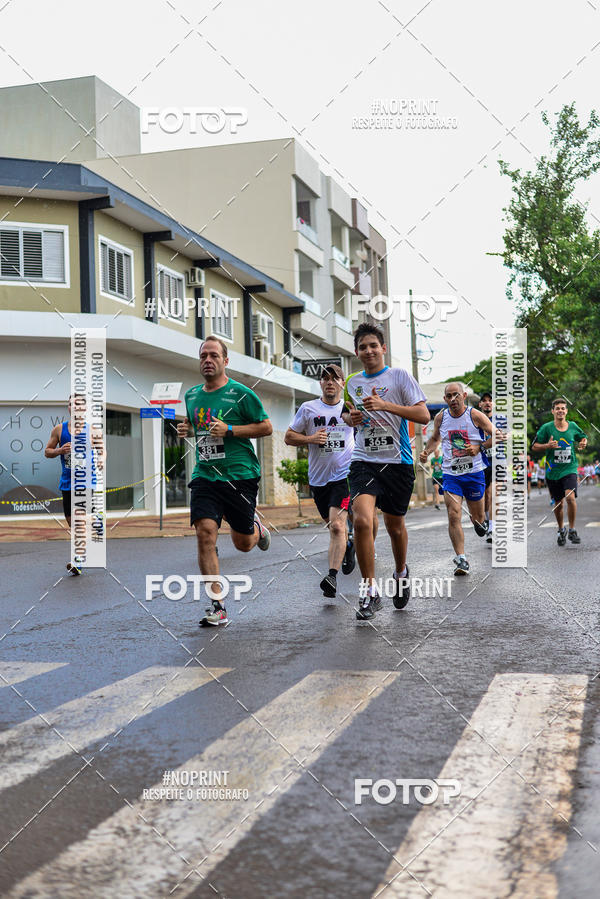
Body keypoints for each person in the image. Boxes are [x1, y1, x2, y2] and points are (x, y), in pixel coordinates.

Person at [177, 336, 273, 626]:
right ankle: (217, 605)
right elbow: (197, 426)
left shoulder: (242, 394)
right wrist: (187, 429)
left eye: (214, 355)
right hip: (205, 474)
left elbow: (266, 427)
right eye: (203, 355)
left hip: (240, 475)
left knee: (243, 544)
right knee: (205, 533)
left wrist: (230, 429)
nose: (208, 359)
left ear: (225, 361)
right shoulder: (192, 395)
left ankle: (256, 528)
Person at [343, 322, 430, 620]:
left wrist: (385, 405)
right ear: (357, 352)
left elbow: (423, 414)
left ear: (383, 348)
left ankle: (401, 572)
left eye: (373, 346)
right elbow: (346, 412)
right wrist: (351, 417)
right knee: (363, 522)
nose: (368, 351)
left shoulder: (400, 376)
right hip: (363, 460)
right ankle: (369, 592)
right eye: (362, 347)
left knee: (394, 527)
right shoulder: (352, 382)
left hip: (398, 463)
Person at [284, 364, 354, 598]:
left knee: (337, 525)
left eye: (335, 378)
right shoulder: (308, 408)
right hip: (318, 479)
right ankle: (349, 544)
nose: (330, 382)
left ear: (342, 383)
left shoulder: (349, 408)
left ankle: (331, 577)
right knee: (332, 525)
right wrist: (311, 438)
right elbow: (289, 437)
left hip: (344, 476)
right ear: (321, 383)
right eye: (325, 378)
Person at [420, 383, 505, 575]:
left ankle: (481, 522)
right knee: (453, 513)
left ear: (464, 395)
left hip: (474, 473)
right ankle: (461, 559)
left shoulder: (475, 415)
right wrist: (427, 451)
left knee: (478, 518)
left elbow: (497, 435)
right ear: (444, 399)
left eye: (456, 395)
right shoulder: (441, 417)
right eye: (448, 396)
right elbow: (435, 439)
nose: (452, 399)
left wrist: (479, 447)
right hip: (451, 474)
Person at [44, 394, 104, 576]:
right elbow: (47, 452)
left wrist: (101, 459)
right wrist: (59, 450)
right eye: (71, 404)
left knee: (78, 522)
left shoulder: (93, 430)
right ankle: (96, 519)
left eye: (78, 404)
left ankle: (78, 559)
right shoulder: (59, 429)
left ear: (84, 409)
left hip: (86, 481)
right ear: (68, 408)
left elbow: (102, 449)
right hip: (67, 482)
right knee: (72, 522)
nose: (74, 407)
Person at [532, 398, 587, 545]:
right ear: (553, 411)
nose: (560, 410)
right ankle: (561, 529)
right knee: (559, 503)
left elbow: (583, 437)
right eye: (558, 408)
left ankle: (572, 530)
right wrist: (547, 446)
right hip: (552, 471)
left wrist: (583, 443)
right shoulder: (546, 428)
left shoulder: (573, 426)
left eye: (563, 408)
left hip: (569, 468)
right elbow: (534, 446)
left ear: (566, 411)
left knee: (570, 497)